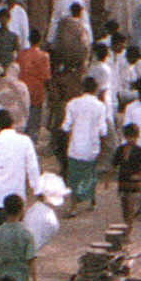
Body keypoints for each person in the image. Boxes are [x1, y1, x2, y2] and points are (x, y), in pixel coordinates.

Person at [61, 78, 111, 213]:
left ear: (82, 89)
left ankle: (74, 206)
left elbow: (66, 127)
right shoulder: (100, 106)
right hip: (92, 147)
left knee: (75, 177)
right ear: (95, 90)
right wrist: (103, 149)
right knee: (91, 174)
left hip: (75, 147)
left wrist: (69, 143)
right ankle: (92, 200)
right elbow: (103, 130)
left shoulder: (72, 104)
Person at [114, 124, 141, 226]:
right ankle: (126, 227)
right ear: (126, 137)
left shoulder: (139, 151)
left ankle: (128, 232)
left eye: (134, 137)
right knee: (124, 208)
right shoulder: (120, 150)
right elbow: (114, 165)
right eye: (130, 137)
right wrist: (108, 180)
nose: (132, 139)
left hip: (134, 183)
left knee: (131, 208)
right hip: (123, 182)